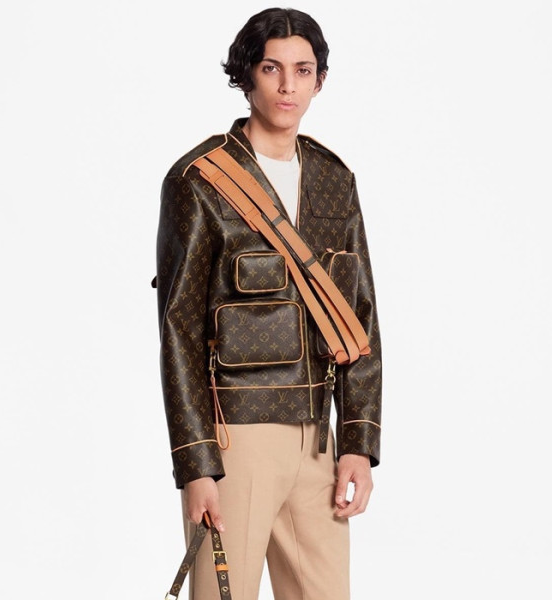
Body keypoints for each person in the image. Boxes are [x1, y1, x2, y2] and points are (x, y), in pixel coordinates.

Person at [155, 7, 382, 599]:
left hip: (318, 442)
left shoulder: (335, 179)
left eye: (303, 70)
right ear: (246, 75)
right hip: (237, 438)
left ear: (319, 80)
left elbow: (359, 317)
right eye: (271, 68)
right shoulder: (200, 179)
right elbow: (178, 328)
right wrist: (196, 464)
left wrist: (358, 443)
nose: (288, 86)